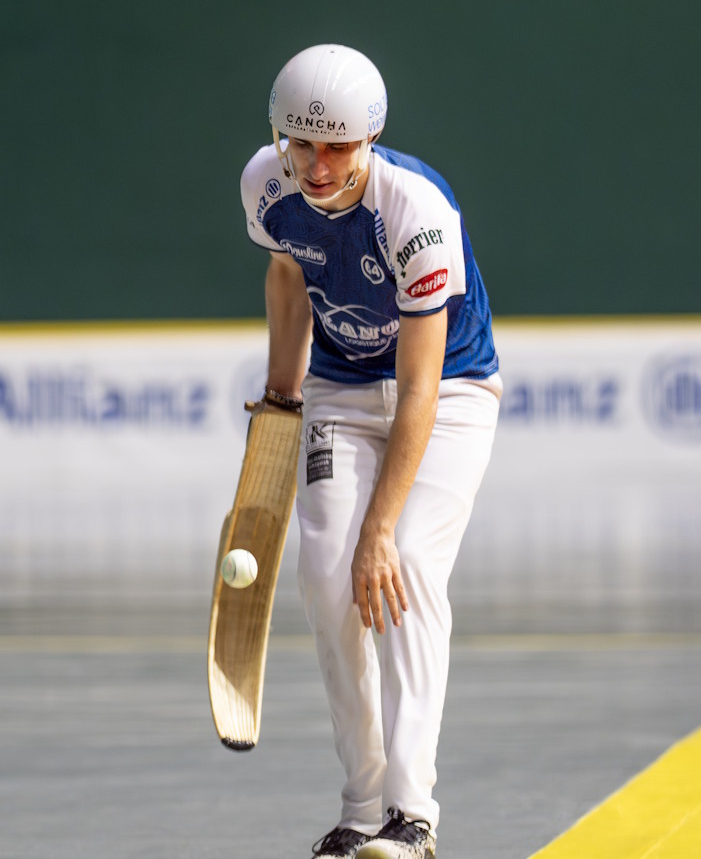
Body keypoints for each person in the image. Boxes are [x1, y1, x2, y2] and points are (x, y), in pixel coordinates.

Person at [240, 44, 502, 859]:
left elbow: (420, 390)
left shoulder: (416, 210)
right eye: (302, 144)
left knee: (408, 568)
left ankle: (411, 816)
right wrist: (282, 398)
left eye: (338, 146)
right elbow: (288, 277)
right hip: (339, 393)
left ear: (371, 138)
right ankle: (360, 811)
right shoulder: (265, 184)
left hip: (450, 394)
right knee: (325, 578)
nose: (317, 166)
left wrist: (380, 531)